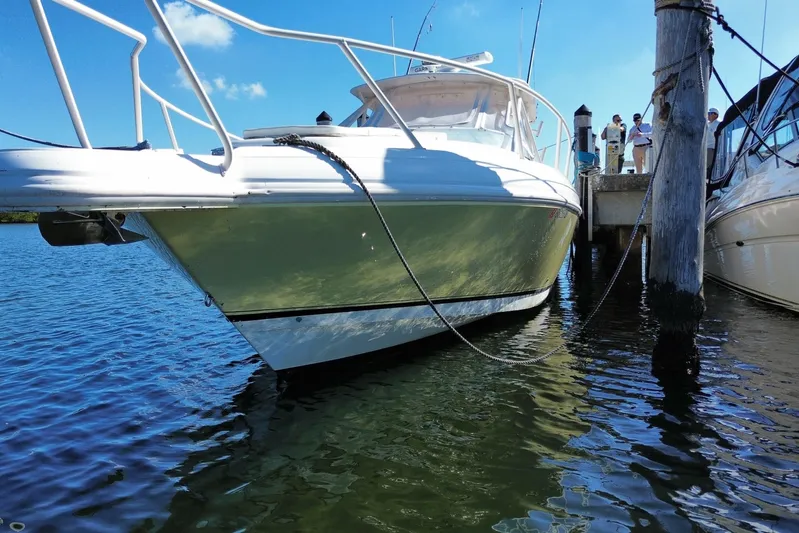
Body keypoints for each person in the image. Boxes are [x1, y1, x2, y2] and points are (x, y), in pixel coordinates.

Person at [706, 107, 721, 181]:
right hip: (706, 148)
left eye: (709, 113)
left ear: (715, 115)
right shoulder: (707, 124)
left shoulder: (718, 124)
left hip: (711, 148)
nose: (708, 115)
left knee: (707, 167)